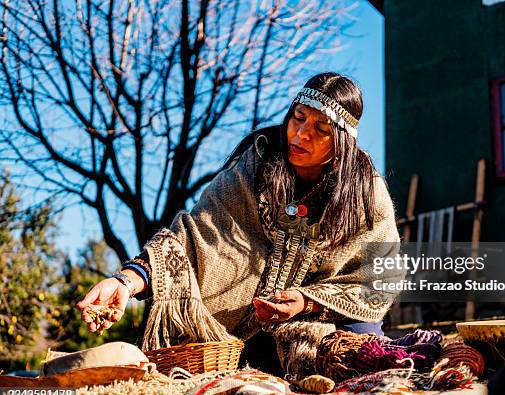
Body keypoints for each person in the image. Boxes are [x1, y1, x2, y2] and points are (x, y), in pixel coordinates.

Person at [77, 72, 401, 377]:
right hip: (234, 335)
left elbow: (378, 279)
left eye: (321, 129)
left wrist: (307, 301)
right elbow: (197, 236)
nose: (301, 134)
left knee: (361, 363)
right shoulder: (255, 165)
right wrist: (126, 281)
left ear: (342, 141)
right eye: (298, 118)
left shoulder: (365, 192)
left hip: (326, 325)